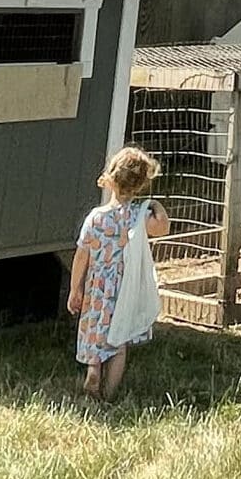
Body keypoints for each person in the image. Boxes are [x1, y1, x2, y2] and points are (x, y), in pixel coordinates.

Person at [69, 145, 170, 399]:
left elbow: (81, 256)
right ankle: (109, 393)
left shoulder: (95, 217)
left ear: (111, 177)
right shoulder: (137, 216)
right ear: (141, 184)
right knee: (119, 343)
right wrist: (155, 205)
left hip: (96, 288)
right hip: (123, 289)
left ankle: (93, 369)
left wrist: (75, 289)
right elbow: (163, 227)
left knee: (95, 334)